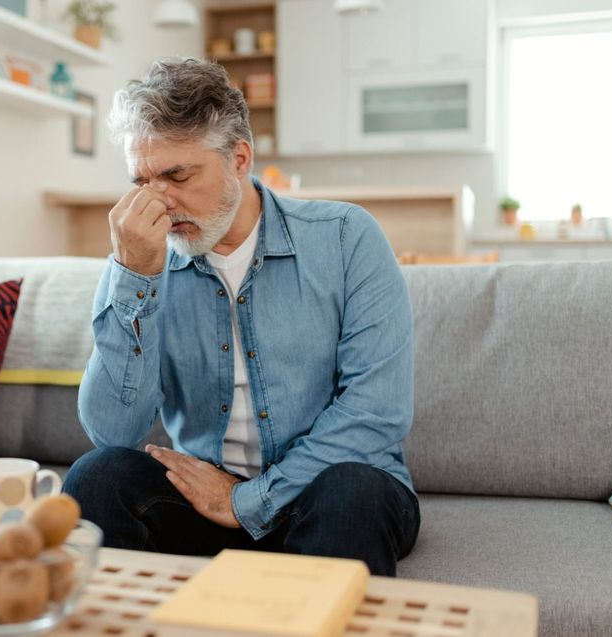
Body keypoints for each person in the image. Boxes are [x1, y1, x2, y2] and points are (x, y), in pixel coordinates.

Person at [62, 58, 420, 577]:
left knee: (351, 488)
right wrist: (135, 279)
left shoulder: (346, 238)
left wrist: (249, 500)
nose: (158, 202)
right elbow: (112, 431)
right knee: (98, 476)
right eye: (141, 180)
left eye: (178, 175)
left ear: (239, 158)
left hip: (323, 493)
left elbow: (377, 412)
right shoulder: (139, 260)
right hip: (203, 499)